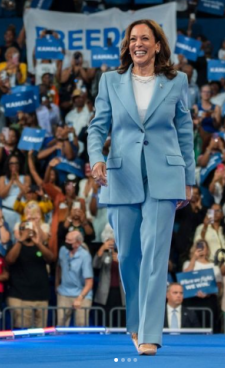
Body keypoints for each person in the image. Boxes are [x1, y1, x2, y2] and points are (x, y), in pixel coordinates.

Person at [88, 19, 195, 356]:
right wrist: (96, 158)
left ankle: (150, 333)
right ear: (128, 45)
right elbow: (96, 127)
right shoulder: (110, 81)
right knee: (130, 256)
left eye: (145, 38)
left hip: (164, 176)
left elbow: (186, 132)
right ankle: (134, 323)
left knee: (154, 253)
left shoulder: (177, 81)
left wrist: (189, 179)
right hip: (121, 176)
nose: (138, 43)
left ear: (157, 45)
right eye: (133, 39)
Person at [55, 231, 93, 327]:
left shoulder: (85, 256)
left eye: (70, 241)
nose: (66, 242)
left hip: (81, 294)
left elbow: (89, 282)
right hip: (64, 293)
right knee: (60, 327)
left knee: (81, 327)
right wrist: (57, 285)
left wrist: (80, 298)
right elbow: (58, 268)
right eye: (66, 240)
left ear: (78, 243)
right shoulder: (62, 250)